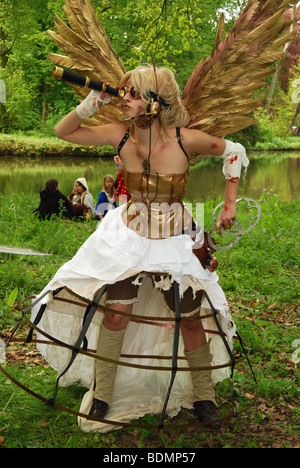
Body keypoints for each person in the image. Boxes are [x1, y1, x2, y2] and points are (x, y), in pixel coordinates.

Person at [31, 65, 248, 432]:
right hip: (128, 235)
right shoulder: (119, 135)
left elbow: (235, 152)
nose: (124, 100)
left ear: (156, 102)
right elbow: (62, 132)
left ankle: (204, 397)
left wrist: (230, 204)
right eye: (124, 92)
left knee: (189, 317)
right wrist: (89, 104)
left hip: (175, 237)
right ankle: (103, 394)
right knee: (116, 313)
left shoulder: (184, 140)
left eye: (132, 94)